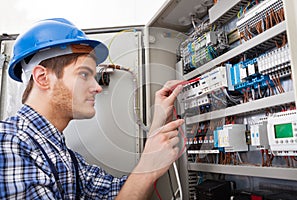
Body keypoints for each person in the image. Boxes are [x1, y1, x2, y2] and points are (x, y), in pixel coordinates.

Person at [0, 18, 184, 199]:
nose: (96, 87)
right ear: (42, 78)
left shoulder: (65, 156)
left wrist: (156, 126)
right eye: (83, 74)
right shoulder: (9, 144)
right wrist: (146, 169)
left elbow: (121, 192)